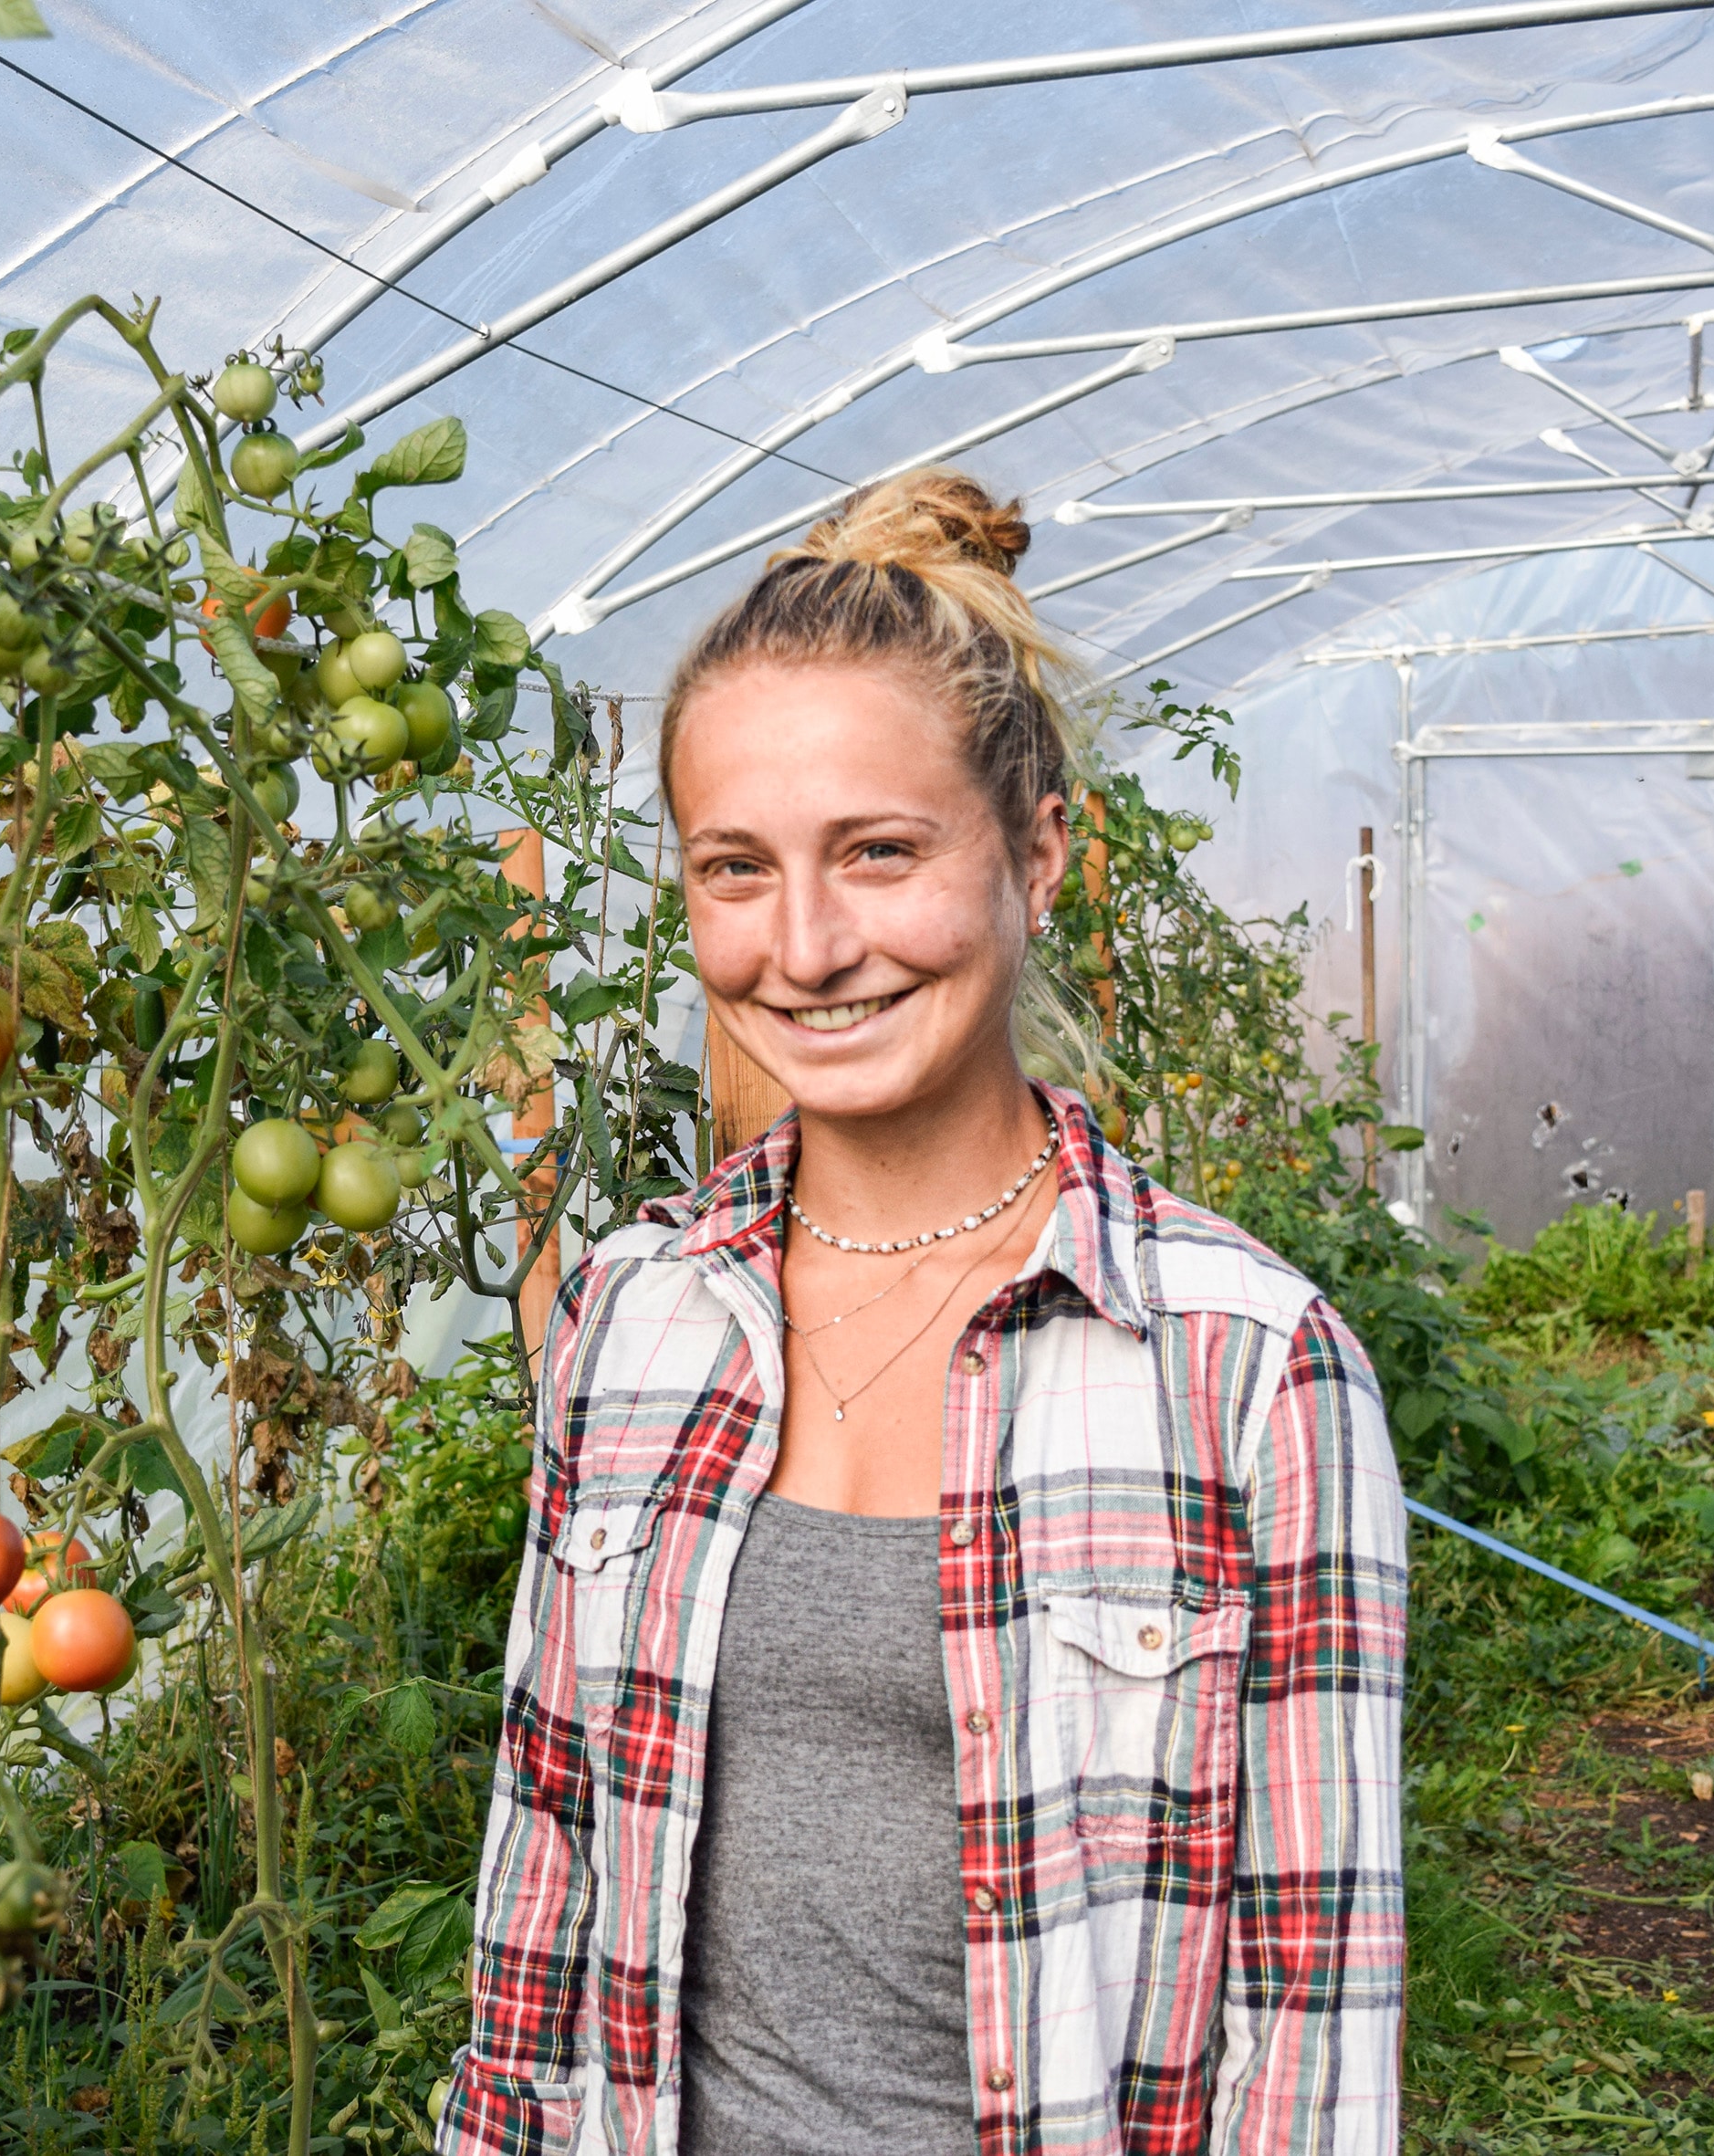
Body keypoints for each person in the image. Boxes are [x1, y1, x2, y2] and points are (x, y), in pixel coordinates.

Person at [434, 470, 1406, 2156]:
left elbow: (1311, 2029)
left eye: (878, 851)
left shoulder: (1248, 1368)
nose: (805, 947)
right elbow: (545, 1885)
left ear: (1038, 850)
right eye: (736, 867)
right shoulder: (631, 1319)